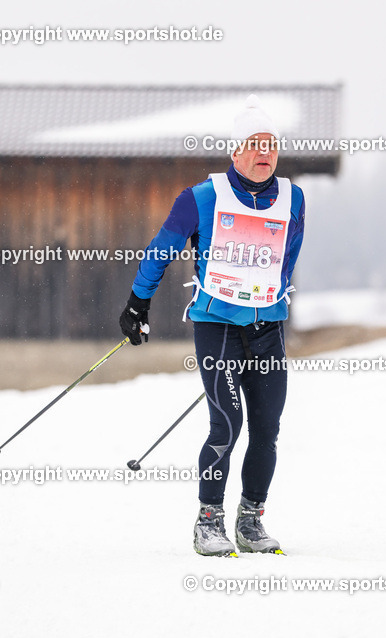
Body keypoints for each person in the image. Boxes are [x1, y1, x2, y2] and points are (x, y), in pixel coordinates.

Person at [118, 95, 305, 557]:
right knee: (226, 423)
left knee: (267, 428)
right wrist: (137, 304)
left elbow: (287, 260)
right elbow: (161, 250)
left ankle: (251, 520)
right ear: (236, 151)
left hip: (268, 330)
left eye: (272, 146)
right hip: (216, 326)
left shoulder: (293, 198)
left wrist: (264, 298)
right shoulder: (201, 198)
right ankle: (209, 520)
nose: (265, 154)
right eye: (255, 144)